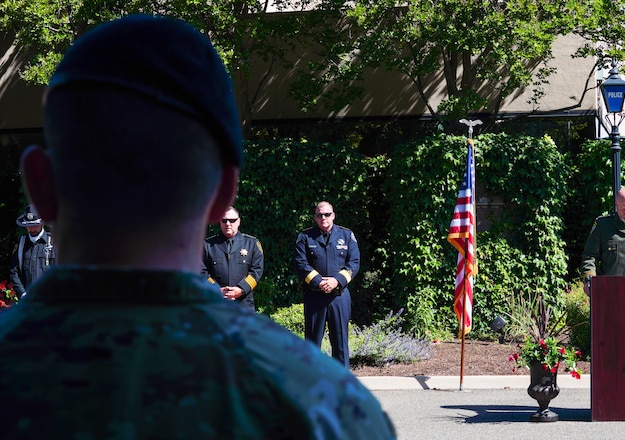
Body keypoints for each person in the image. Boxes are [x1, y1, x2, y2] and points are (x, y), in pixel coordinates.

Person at [0, 14, 395, 439]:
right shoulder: (325, 406)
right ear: (225, 190)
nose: (324, 220)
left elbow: (275, 270)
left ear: (39, 186)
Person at [295, 201, 360, 368]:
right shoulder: (305, 237)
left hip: (339, 296)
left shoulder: (346, 235)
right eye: (319, 215)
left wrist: (336, 280)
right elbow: (300, 263)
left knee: (340, 342)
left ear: (333, 215)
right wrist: (319, 281)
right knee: (312, 341)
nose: (323, 218)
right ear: (315, 217)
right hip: (315, 296)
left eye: (327, 214)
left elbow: (354, 262)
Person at [202, 206, 263, 310]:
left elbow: (256, 271)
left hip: (244, 304)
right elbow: (201, 271)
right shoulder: (208, 245)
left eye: (232, 220)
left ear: (239, 221)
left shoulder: (252, 243)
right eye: (224, 220)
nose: (228, 224)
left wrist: (241, 289)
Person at [9, 204, 55, 298]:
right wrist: (22, 293)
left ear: (42, 223)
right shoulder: (21, 244)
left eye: (35, 225)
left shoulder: (54, 243)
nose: (32, 229)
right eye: (29, 226)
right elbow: (14, 271)